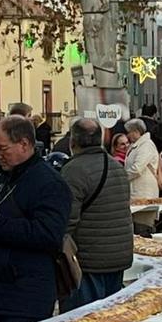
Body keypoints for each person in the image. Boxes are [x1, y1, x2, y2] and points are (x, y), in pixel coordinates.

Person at [0, 115, 71, 322]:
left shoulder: (48, 182)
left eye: (2, 149)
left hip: (24, 294)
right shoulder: (4, 178)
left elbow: (48, 234)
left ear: (24, 144)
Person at [60, 116, 133, 307]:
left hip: (89, 260)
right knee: (110, 318)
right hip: (119, 254)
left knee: (83, 320)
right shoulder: (116, 166)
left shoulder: (73, 170)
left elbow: (67, 220)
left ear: (73, 141)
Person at [124, 117, 162, 233]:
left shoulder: (146, 145)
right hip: (136, 194)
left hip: (144, 195)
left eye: (129, 132)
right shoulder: (138, 145)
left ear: (136, 132)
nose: (127, 135)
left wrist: (122, 177)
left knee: (143, 227)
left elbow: (137, 169)